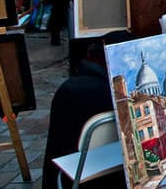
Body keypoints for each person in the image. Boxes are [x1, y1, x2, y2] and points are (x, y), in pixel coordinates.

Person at [42, 33, 130, 189]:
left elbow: (56, 149)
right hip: (123, 174)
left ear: (90, 56)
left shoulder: (70, 91)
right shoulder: (126, 90)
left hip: (83, 177)